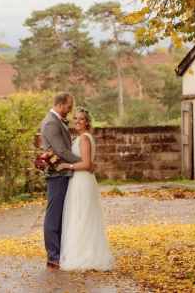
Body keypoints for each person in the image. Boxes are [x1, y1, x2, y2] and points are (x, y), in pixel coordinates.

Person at [55, 106, 116, 271]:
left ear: (87, 121)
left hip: (82, 180)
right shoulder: (81, 138)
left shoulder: (84, 139)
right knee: (80, 216)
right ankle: (81, 252)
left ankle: (86, 256)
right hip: (79, 179)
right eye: (75, 118)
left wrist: (65, 165)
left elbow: (86, 164)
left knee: (82, 216)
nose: (77, 121)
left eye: (81, 119)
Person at [40, 92, 83, 269]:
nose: (70, 110)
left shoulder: (57, 121)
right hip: (57, 175)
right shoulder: (50, 122)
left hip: (62, 174)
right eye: (68, 107)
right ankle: (53, 255)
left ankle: (59, 253)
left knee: (60, 216)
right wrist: (83, 163)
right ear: (60, 104)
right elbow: (61, 151)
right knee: (53, 216)